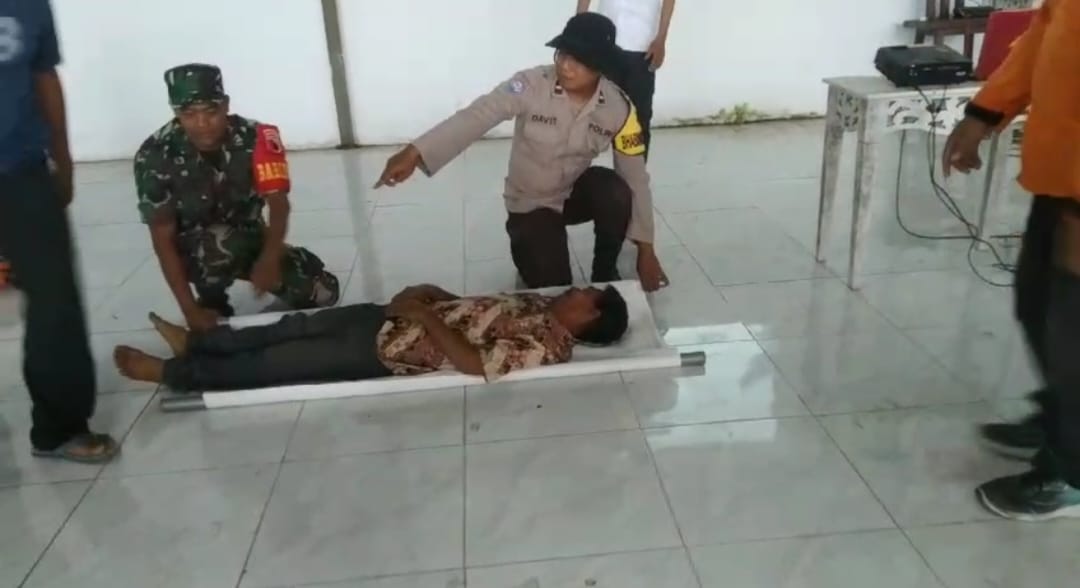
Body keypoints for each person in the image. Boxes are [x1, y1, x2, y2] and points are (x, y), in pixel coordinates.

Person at [376, 13, 668, 292]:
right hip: (530, 205)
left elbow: (636, 178)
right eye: (562, 54)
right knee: (556, 289)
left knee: (615, 191)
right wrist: (415, 152)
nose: (566, 66)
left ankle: (605, 272)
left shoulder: (620, 109)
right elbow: (478, 116)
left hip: (570, 194)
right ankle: (529, 246)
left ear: (600, 66)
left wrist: (646, 250)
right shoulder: (530, 85)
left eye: (579, 60)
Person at [943, 0, 1080, 519]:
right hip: (1062, 179)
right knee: (1038, 304)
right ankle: (1063, 421)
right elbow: (1041, 43)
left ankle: (1071, 471)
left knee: (1073, 327)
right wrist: (983, 114)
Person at [113, 283, 629, 391]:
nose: (575, 288)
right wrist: (436, 297)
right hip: (391, 316)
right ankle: (196, 343)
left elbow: (477, 364)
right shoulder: (542, 305)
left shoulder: (548, 347)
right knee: (289, 327)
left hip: (385, 349)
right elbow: (481, 316)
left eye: (584, 294)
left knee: (279, 361)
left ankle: (172, 373)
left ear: (588, 318)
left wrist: (424, 318)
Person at [134, 63, 340, 332]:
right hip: (196, 249)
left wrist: (270, 256)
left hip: (251, 236)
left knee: (324, 294)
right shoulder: (154, 156)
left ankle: (285, 261)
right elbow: (162, 237)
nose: (202, 124)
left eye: (211, 111)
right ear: (176, 113)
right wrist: (189, 310)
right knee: (215, 245)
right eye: (189, 114)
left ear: (226, 105)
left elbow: (279, 204)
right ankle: (212, 298)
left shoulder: (257, 138)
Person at [0, 0, 119, 462]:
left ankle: (60, 427)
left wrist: (63, 158)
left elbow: (43, 75)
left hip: (21, 171)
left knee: (55, 300)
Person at [576, 0, 677, 155]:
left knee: (637, 118)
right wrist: (577, 28)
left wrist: (661, 38)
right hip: (605, 42)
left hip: (642, 45)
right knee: (591, 112)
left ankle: (634, 168)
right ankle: (579, 167)